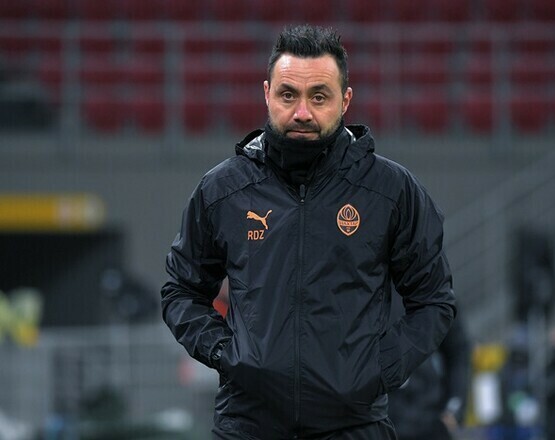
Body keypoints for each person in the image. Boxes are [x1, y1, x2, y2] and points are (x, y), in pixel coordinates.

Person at [161, 24, 456, 439]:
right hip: (249, 425)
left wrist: (379, 369)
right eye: (288, 95)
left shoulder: (391, 191)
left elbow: (434, 299)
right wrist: (228, 354)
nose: (302, 112)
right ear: (267, 94)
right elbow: (181, 290)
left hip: (355, 426)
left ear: (345, 100)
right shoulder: (223, 190)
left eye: (319, 96)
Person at [388, 310, 471, 440]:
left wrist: (454, 408)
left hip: (430, 417)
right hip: (383, 421)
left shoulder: (433, 298)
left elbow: (458, 349)